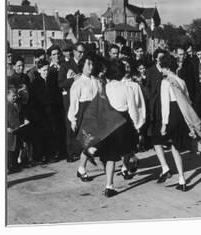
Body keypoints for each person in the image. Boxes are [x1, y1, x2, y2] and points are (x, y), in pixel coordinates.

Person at [155, 54, 201, 191]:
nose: (161, 70)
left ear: (167, 68)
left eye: (162, 67)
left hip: (171, 114)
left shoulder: (166, 82)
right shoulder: (181, 81)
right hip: (182, 114)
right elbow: (188, 100)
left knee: (159, 141)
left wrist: (164, 124)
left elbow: (165, 104)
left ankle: (169, 170)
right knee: (176, 146)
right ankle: (181, 178)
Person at [97, 60, 141, 197]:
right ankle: (127, 167)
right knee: (127, 148)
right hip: (123, 122)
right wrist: (137, 126)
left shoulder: (105, 87)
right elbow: (133, 110)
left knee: (110, 155)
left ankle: (109, 185)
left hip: (108, 122)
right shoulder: (127, 88)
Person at [68, 53, 100, 181]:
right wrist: (73, 119)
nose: (91, 67)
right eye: (88, 64)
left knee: (94, 144)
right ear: (82, 66)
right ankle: (81, 168)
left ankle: (82, 167)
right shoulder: (78, 83)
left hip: (97, 113)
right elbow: (74, 102)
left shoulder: (96, 81)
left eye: (92, 64)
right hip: (85, 115)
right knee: (88, 144)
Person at [58, 42, 85, 162]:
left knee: (81, 124)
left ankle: (80, 151)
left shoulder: (85, 65)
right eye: (79, 52)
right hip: (70, 99)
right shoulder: (65, 65)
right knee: (70, 125)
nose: (81, 54)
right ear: (74, 52)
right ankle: (70, 153)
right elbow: (60, 83)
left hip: (82, 99)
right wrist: (74, 80)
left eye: (83, 52)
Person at [121, 57, 147, 173]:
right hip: (119, 119)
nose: (126, 69)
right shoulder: (115, 85)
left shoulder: (135, 85)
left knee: (130, 145)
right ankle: (126, 164)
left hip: (132, 119)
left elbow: (140, 105)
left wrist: (141, 123)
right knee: (122, 145)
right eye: (123, 66)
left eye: (128, 66)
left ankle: (126, 166)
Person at [6, 86, 28, 173]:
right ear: (7, 95)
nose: (15, 97)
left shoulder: (16, 104)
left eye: (15, 96)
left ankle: (14, 165)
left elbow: (19, 116)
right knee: (9, 150)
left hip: (17, 129)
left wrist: (24, 120)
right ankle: (9, 166)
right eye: (13, 96)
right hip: (9, 132)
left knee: (16, 148)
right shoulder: (6, 105)